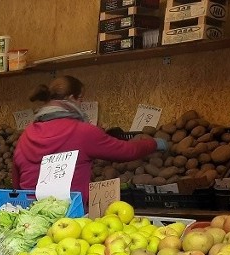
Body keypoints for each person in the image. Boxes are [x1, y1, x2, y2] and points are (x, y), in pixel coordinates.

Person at [12, 75, 168, 204]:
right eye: (81, 99)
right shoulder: (83, 132)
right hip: (68, 215)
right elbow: (127, 151)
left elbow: (16, 179)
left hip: (29, 214)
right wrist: (154, 143)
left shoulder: (27, 134)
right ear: (72, 98)